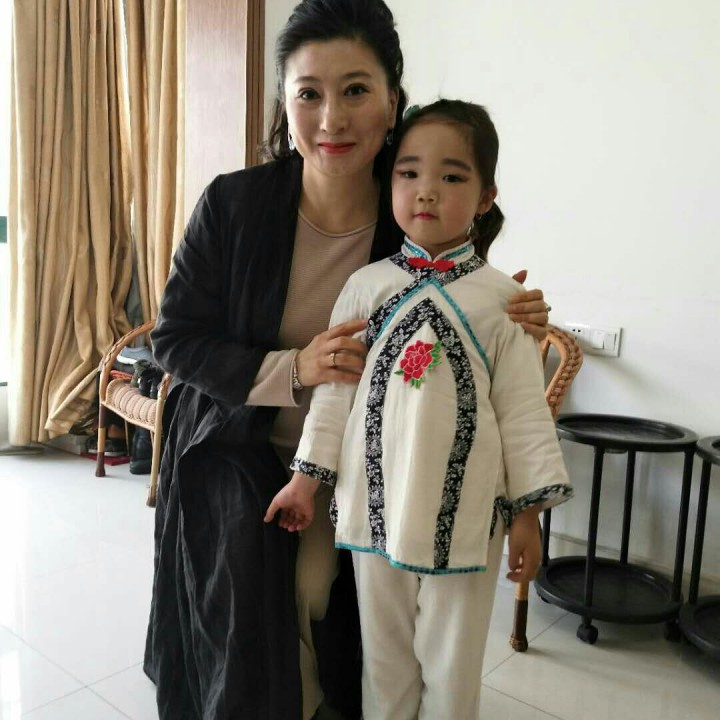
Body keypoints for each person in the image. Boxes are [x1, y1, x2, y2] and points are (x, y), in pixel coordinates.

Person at [143, 2, 550, 719]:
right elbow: (175, 338)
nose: (331, 118)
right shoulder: (234, 205)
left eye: (356, 89)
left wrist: (520, 314)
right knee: (251, 593)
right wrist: (295, 369)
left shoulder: (415, 203)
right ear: (285, 102)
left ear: (392, 100)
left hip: (371, 461)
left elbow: (471, 309)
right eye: (309, 93)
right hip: (238, 440)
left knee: (328, 600)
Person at [265, 99, 573, 720]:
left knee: (452, 668)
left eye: (452, 176)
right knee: (384, 664)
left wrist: (528, 515)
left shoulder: (505, 302)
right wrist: (304, 480)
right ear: (390, 185)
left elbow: (522, 413)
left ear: (485, 197)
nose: (426, 190)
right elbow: (335, 394)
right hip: (373, 512)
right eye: (409, 173)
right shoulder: (365, 286)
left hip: (468, 519)